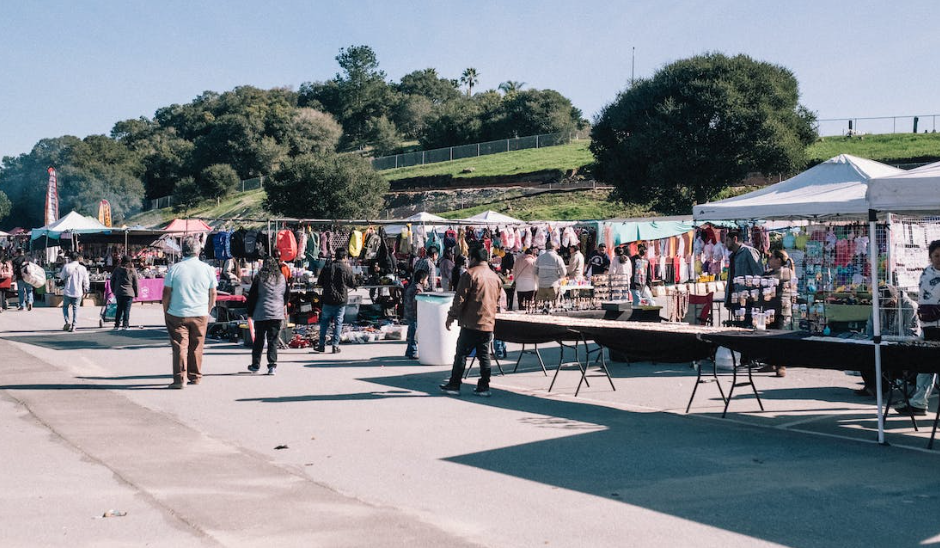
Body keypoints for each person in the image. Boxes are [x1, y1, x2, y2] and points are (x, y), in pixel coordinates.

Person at [440, 245, 503, 397]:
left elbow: (459, 298)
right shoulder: (495, 278)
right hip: (488, 322)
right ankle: (484, 386)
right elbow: (498, 300)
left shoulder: (470, 274)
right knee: (484, 355)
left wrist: (451, 316)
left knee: (461, 354)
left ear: (474, 258)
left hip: (471, 321)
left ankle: (455, 384)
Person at [162, 237, 218, 389]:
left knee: (180, 346)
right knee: (197, 346)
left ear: (183, 251)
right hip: (200, 313)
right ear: (198, 251)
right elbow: (213, 292)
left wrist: (166, 310)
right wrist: (209, 308)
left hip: (177, 313)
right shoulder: (207, 269)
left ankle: (180, 379)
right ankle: (195, 376)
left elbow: (166, 293)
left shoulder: (175, 269)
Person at [895, 240, 940, 416]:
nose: (939, 259)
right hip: (928, 327)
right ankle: (918, 402)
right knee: (925, 365)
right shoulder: (926, 274)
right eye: (936, 256)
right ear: (930, 257)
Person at [758, 249, 797, 377]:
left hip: (781, 310)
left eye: (771, 258)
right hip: (769, 309)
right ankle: (772, 363)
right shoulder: (771, 272)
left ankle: (781, 366)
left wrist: (762, 278)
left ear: (778, 260)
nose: (769, 261)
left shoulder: (786, 272)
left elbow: (773, 278)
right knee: (769, 337)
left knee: (779, 338)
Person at [246, 258, 289, 375]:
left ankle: (255, 365)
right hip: (276, 314)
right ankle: (272, 366)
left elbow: (252, 297)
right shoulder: (281, 278)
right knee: (273, 340)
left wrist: (250, 312)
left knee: (259, 340)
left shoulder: (259, 278)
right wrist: (281, 306)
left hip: (261, 313)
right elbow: (286, 296)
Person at [316, 247, 357, 354]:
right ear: (344, 257)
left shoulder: (327, 266)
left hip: (327, 299)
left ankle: (321, 345)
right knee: (338, 323)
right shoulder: (346, 268)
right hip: (341, 300)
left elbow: (319, 281)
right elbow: (352, 283)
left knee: (324, 322)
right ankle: (335, 345)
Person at [723, 229, 764, 321]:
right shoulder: (733, 256)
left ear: (735, 239)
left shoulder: (748, 252)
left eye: (727, 240)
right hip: (735, 299)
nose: (725, 243)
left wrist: (752, 294)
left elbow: (759, 274)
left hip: (748, 300)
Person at [59, 252, 89, 332]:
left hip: (68, 291)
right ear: (78, 258)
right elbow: (86, 281)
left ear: (70, 258)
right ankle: (74, 326)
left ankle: (67, 321)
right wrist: (86, 289)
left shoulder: (66, 266)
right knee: (76, 309)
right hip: (78, 292)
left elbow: (61, 277)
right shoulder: (83, 268)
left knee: (65, 307)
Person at [402, 269, 428, 359]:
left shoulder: (412, 286)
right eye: (426, 280)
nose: (426, 282)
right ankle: (413, 351)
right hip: (414, 314)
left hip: (409, 312)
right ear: (421, 280)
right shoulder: (418, 289)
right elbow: (416, 303)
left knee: (411, 332)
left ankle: (409, 350)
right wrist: (420, 314)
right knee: (414, 334)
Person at [109, 255, 139, 329]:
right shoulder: (132, 270)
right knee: (127, 310)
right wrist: (136, 293)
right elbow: (136, 284)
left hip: (119, 292)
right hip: (129, 292)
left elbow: (112, 281)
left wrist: (113, 290)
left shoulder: (117, 269)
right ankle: (125, 325)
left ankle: (116, 324)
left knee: (119, 308)